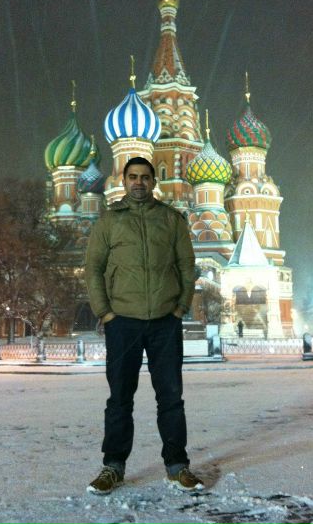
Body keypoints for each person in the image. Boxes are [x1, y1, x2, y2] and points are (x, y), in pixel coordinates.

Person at [85, 156, 204, 495]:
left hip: (165, 321)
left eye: (145, 177)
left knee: (171, 397)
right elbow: (93, 268)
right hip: (123, 321)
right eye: (132, 177)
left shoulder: (171, 219)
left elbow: (187, 265)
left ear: (154, 181)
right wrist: (105, 313)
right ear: (123, 181)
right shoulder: (109, 221)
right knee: (120, 398)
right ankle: (113, 467)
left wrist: (180, 307)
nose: (139, 182)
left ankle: (177, 466)